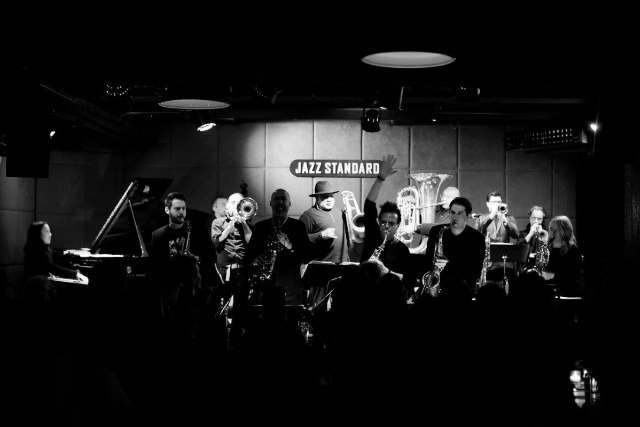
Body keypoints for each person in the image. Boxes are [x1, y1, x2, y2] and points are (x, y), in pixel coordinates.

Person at [150, 192, 216, 318]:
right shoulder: (157, 235)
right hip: (170, 288)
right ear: (167, 210)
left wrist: (197, 259)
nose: (182, 212)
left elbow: (211, 255)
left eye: (183, 208)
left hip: (193, 288)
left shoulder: (197, 231)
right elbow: (155, 265)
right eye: (177, 209)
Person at [245, 189, 311, 306]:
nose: (280, 202)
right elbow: (248, 256)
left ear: (289, 204)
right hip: (264, 290)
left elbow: (307, 257)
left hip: (291, 291)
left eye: (283, 199)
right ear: (270, 203)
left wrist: (290, 246)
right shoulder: (260, 227)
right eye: (276, 199)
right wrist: (254, 259)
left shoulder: (298, 227)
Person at [360, 155, 411, 297]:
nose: (386, 226)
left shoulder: (402, 250)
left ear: (398, 225)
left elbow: (407, 280)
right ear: (378, 221)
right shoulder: (372, 234)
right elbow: (369, 205)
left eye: (391, 223)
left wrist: (385, 271)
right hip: (366, 294)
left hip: (389, 297)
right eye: (383, 222)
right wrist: (380, 178)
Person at [299, 181, 349, 308]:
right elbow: (299, 240)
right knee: (318, 309)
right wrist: (320, 235)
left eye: (331, 196)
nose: (329, 199)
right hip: (320, 273)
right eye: (324, 196)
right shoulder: (308, 215)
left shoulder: (340, 212)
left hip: (342, 268)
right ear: (316, 198)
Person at [424, 197, 485, 292]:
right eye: (452, 212)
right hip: (438, 285)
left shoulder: (477, 238)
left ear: (468, 216)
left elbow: (475, 272)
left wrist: (449, 264)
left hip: (464, 288)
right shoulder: (436, 231)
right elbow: (427, 261)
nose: (455, 217)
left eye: (459, 213)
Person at [22, 221, 88, 286]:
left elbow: (45, 270)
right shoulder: (37, 252)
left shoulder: (35, 250)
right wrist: (75, 274)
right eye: (47, 231)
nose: (50, 234)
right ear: (38, 235)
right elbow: (53, 268)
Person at [544, 216, 583, 297]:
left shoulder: (573, 251)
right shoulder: (547, 249)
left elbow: (575, 277)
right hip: (548, 292)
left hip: (567, 292)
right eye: (551, 229)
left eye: (556, 230)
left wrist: (553, 276)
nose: (552, 232)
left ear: (564, 231)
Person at [516, 205, 549, 272]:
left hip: (542, 268)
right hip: (525, 267)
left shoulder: (546, 234)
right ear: (530, 218)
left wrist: (542, 236)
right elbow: (518, 248)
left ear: (542, 220)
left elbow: (549, 251)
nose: (536, 221)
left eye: (539, 219)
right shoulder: (522, 234)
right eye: (534, 218)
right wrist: (530, 234)